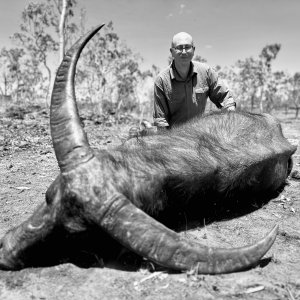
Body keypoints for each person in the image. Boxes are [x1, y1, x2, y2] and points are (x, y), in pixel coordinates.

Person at [153, 32, 236, 130]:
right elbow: (161, 122)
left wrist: (231, 121)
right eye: (179, 48)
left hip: (199, 135)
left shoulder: (206, 72)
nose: (184, 52)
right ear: (172, 52)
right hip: (174, 139)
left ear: (193, 50)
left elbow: (226, 99)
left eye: (187, 47)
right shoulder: (161, 80)